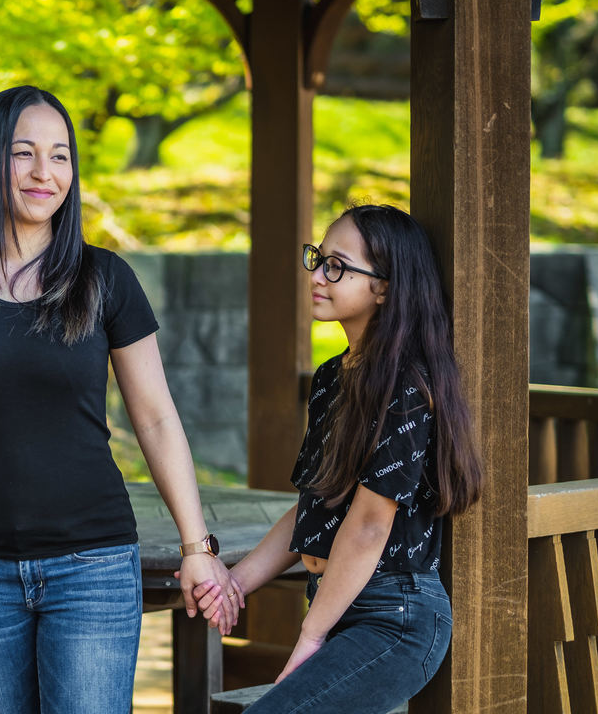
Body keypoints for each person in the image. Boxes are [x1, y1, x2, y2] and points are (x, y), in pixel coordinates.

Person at [0, 85, 240, 714]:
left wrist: (197, 549)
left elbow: (158, 419)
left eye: (60, 156)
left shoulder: (106, 278)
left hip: (93, 565)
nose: (43, 173)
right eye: (23, 153)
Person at [194, 204, 484, 713]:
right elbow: (311, 508)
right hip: (339, 604)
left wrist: (310, 634)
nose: (318, 275)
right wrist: (234, 584)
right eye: (318, 258)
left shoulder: (406, 388)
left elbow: (371, 525)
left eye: (338, 266)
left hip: (395, 618)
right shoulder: (333, 378)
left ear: (385, 287)